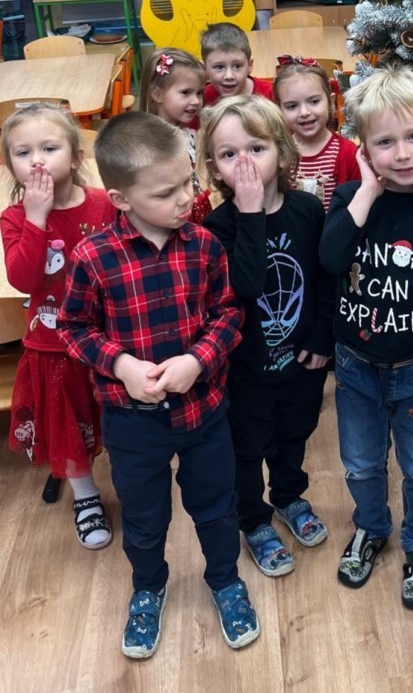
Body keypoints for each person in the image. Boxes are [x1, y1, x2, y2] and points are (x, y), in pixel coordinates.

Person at [57, 112, 259, 658]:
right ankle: (148, 588)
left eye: (188, 182)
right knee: (144, 518)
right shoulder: (92, 257)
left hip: (204, 413)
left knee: (217, 508)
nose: (186, 198)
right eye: (166, 192)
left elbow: (228, 312)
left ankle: (225, 580)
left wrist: (198, 359)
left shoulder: (204, 245)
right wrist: (121, 365)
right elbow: (73, 327)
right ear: (121, 199)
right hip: (132, 422)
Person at [319, 66, 413, 610]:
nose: (403, 154)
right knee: (361, 463)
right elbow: (331, 258)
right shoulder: (349, 199)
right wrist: (366, 190)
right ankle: (371, 526)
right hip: (356, 365)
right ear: (363, 148)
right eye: (385, 143)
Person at [201, 96, 334, 577]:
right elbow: (248, 285)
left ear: (282, 150)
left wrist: (322, 337)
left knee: (293, 436)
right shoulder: (216, 228)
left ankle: (288, 496)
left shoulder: (307, 209)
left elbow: (325, 279)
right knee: (247, 449)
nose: (245, 163)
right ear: (213, 167)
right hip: (245, 371)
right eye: (229, 154)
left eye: (256, 148)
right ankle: (253, 519)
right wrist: (251, 214)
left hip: (301, 363)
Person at [1, 103, 115, 550]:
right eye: (23, 152)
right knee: (70, 429)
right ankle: (85, 497)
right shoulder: (15, 217)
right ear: (9, 163)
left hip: (109, 341)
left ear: (77, 155)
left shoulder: (105, 204)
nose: (37, 161)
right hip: (53, 348)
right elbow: (23, 279)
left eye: (49, 148)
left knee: (117, 420)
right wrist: (35, 218)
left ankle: (134, 479)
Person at [273, 56, 360, 210]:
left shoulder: (347, 152)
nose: (304, 112)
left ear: (331, 102)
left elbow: (358, 201)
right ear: (280, 110)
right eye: (292, 106)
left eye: (314, 102)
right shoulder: (279, 152)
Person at [139, 46, 211, 222]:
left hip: (193, 209)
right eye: (186, 93)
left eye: (199, 93)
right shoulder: (147, 142)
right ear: (157, 94)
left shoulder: (189, 133)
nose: (196, 101)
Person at [200, 22, 274, 106]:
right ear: (204, 69)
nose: (229, 76)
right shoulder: (202, 99)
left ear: (250, 65)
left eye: (237, 66)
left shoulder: (271, 94)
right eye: (219, 67)